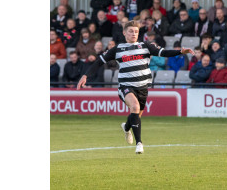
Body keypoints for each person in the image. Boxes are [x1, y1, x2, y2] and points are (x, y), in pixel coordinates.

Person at [77, 20, 195, 154]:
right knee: (135, 107)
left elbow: (163, 53)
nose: (134, 34)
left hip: (143, 87)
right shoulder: (117, 49)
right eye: (131, 31)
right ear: (124, 33)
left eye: (136, 31)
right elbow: (99, 62)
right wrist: (86, 75)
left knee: (136, 115)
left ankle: (126, 127)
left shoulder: (145, 46)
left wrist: (180, 51)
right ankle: (139, 143)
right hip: (126, 86)